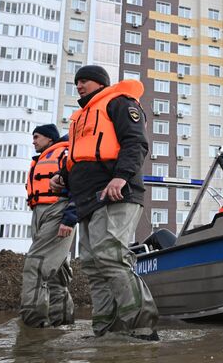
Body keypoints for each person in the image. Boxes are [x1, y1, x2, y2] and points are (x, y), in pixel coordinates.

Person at [50, 65, 158, 339]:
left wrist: (121, 177)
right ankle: (105, 330)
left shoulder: (119, 103)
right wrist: (62, 176)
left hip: (116, 193)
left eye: (84, 81)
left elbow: (136, 142)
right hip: (87, 200)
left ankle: (140, 327)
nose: (79, 86)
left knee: (111, 256)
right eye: (76, 82)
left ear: (100, 83)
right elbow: (79, 156)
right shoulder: (80, 118)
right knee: (93, 264)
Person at [20, 125, 77, 327]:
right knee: (56, 274)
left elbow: (78, 184)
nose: (33, 141)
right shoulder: (42, 159)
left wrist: (69, 218)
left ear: (50, 138)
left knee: (35, 266)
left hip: (57, 210)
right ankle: (62, 324)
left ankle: (33, 328)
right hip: (40, 213)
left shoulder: (64, 153)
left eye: (37, 137)